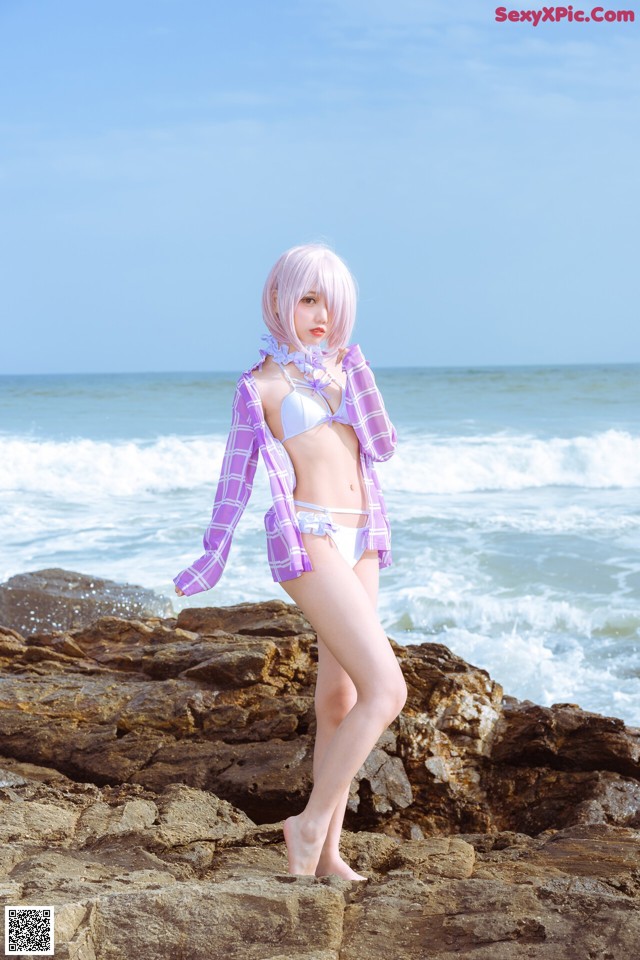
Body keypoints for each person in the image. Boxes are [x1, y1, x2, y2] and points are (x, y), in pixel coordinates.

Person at [173, 243, 407, 879]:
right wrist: (210, 557)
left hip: (365, 537)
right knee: (388, 689)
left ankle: (327, 854)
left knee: (341, 696)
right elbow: (235, 479)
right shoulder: (260, 387)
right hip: (312, 539)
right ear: (281, 300)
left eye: (332, 302)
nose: (321, 314)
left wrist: (355, 375)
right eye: (308, 299)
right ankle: (305, 827)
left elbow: (381, 447)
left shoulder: (345, 369)